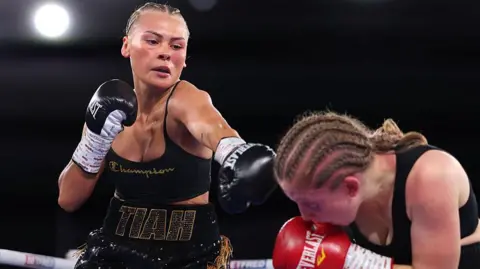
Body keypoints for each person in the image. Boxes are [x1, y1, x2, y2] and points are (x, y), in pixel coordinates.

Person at [57, 3, 277, 269]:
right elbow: (68, 199)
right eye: (152, 41)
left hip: (188, 257)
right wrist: (95, 141)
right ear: (127, 46)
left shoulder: (187, 99)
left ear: (184, 58)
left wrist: (236, 153)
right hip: (114, 250)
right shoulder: (109, 111)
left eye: (176, 46)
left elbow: (212, 128)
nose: (165, 53)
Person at [271, 111, 480, 269]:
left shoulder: (432, 178)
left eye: (312, 204)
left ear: (351, 186)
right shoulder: (347, 194)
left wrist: (351, 262)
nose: (304, 215)